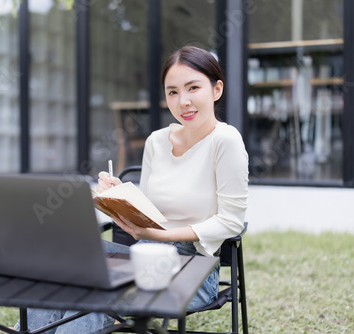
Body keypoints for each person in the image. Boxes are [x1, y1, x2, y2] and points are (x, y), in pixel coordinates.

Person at [15, 44, 248, 333]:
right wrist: (119, 197)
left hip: (192, 268)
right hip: (143, 255)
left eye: (193, 88)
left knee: (91, 287)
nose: (183, 101)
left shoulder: (225, 141)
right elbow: (148, 213)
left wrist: (160, 235)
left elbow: (231, 220)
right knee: (68, 256)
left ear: (216, 90)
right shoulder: (156, 142)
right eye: (172, 91)